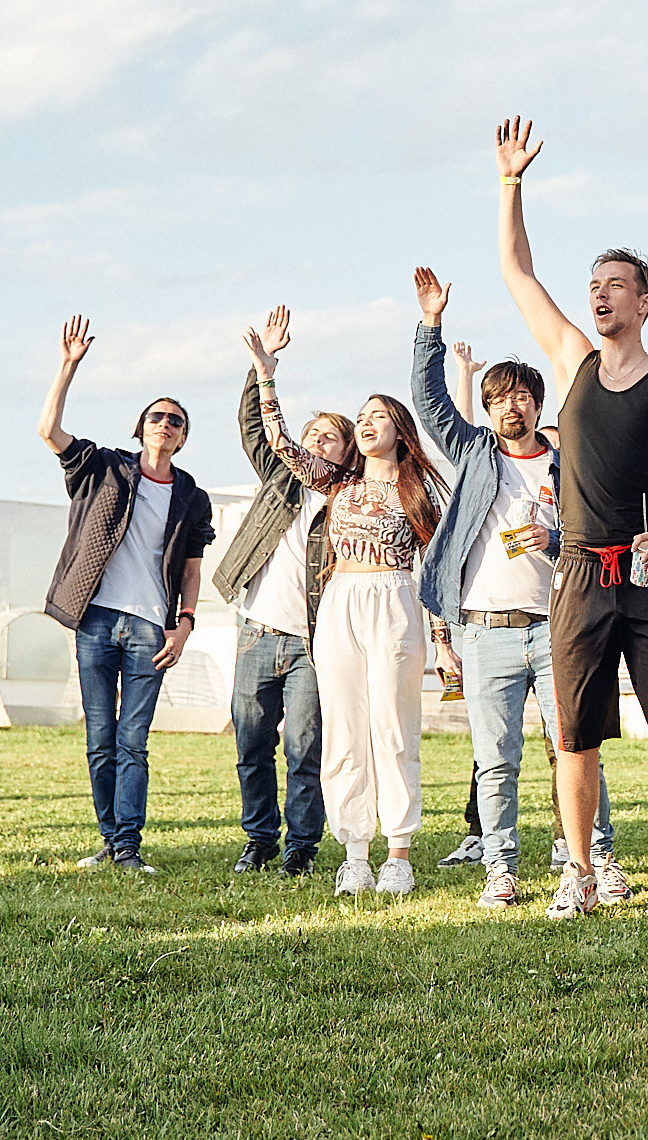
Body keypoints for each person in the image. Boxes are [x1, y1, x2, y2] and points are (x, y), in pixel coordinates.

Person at [492, 117, 648, 923]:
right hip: (580, 574)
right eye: (595, 283)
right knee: (574, 738)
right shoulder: (572, 360)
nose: (600, 292)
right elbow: (516, 271)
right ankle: (579, 872)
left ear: (646, 298)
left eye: (616, 282)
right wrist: (512, 182)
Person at [411, 267, 622, 911]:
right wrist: (430, 328)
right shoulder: (476, 454)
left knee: (574, 748)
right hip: (485, 630)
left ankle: (592, 856)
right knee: (495, 762)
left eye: (522, 397)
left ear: (538, 404)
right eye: (499, 397)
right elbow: (428, 403)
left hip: (555, 627)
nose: (510, 406)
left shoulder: (568, 463)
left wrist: (553, 542)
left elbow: (588, 540)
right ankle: (501, 866)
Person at [244, 319, 442, 897]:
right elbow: (281, 445)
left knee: (394, 728)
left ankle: (399, 853)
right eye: (362, 415)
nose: (365, 421)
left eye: (378, 415)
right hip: (341, 602)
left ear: (400, 432)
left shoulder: (416, 492)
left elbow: (433, 570)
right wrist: (267, 376)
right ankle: (355, 851)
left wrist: (445, 639)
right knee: (345, 730)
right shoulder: (338, 485)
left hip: (395, 599)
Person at [37, 318, 217, 876]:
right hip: (96, 620)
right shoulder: (103, 466)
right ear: (141, 428)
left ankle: (129, 846)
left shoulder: (191, 495)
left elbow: (191, 567)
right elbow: (49, 431)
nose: (166, 424)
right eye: (157, 416)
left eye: (176, 421)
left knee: (132, 741)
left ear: (183, 437)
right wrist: (68, 367)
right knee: (100, 738)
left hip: (149, 629)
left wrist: (184, 623)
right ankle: (112, 842)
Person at [212, 307, 331, 878]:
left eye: (330, 437)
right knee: (251, 748)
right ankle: (258, 839)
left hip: (313, 645)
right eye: (311, 435)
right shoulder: (279, 478)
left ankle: (301, 849)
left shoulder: (344, 500)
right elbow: (255, 430)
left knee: (305, 752)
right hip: (257, 631)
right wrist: (265, 367)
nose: (317, 443)